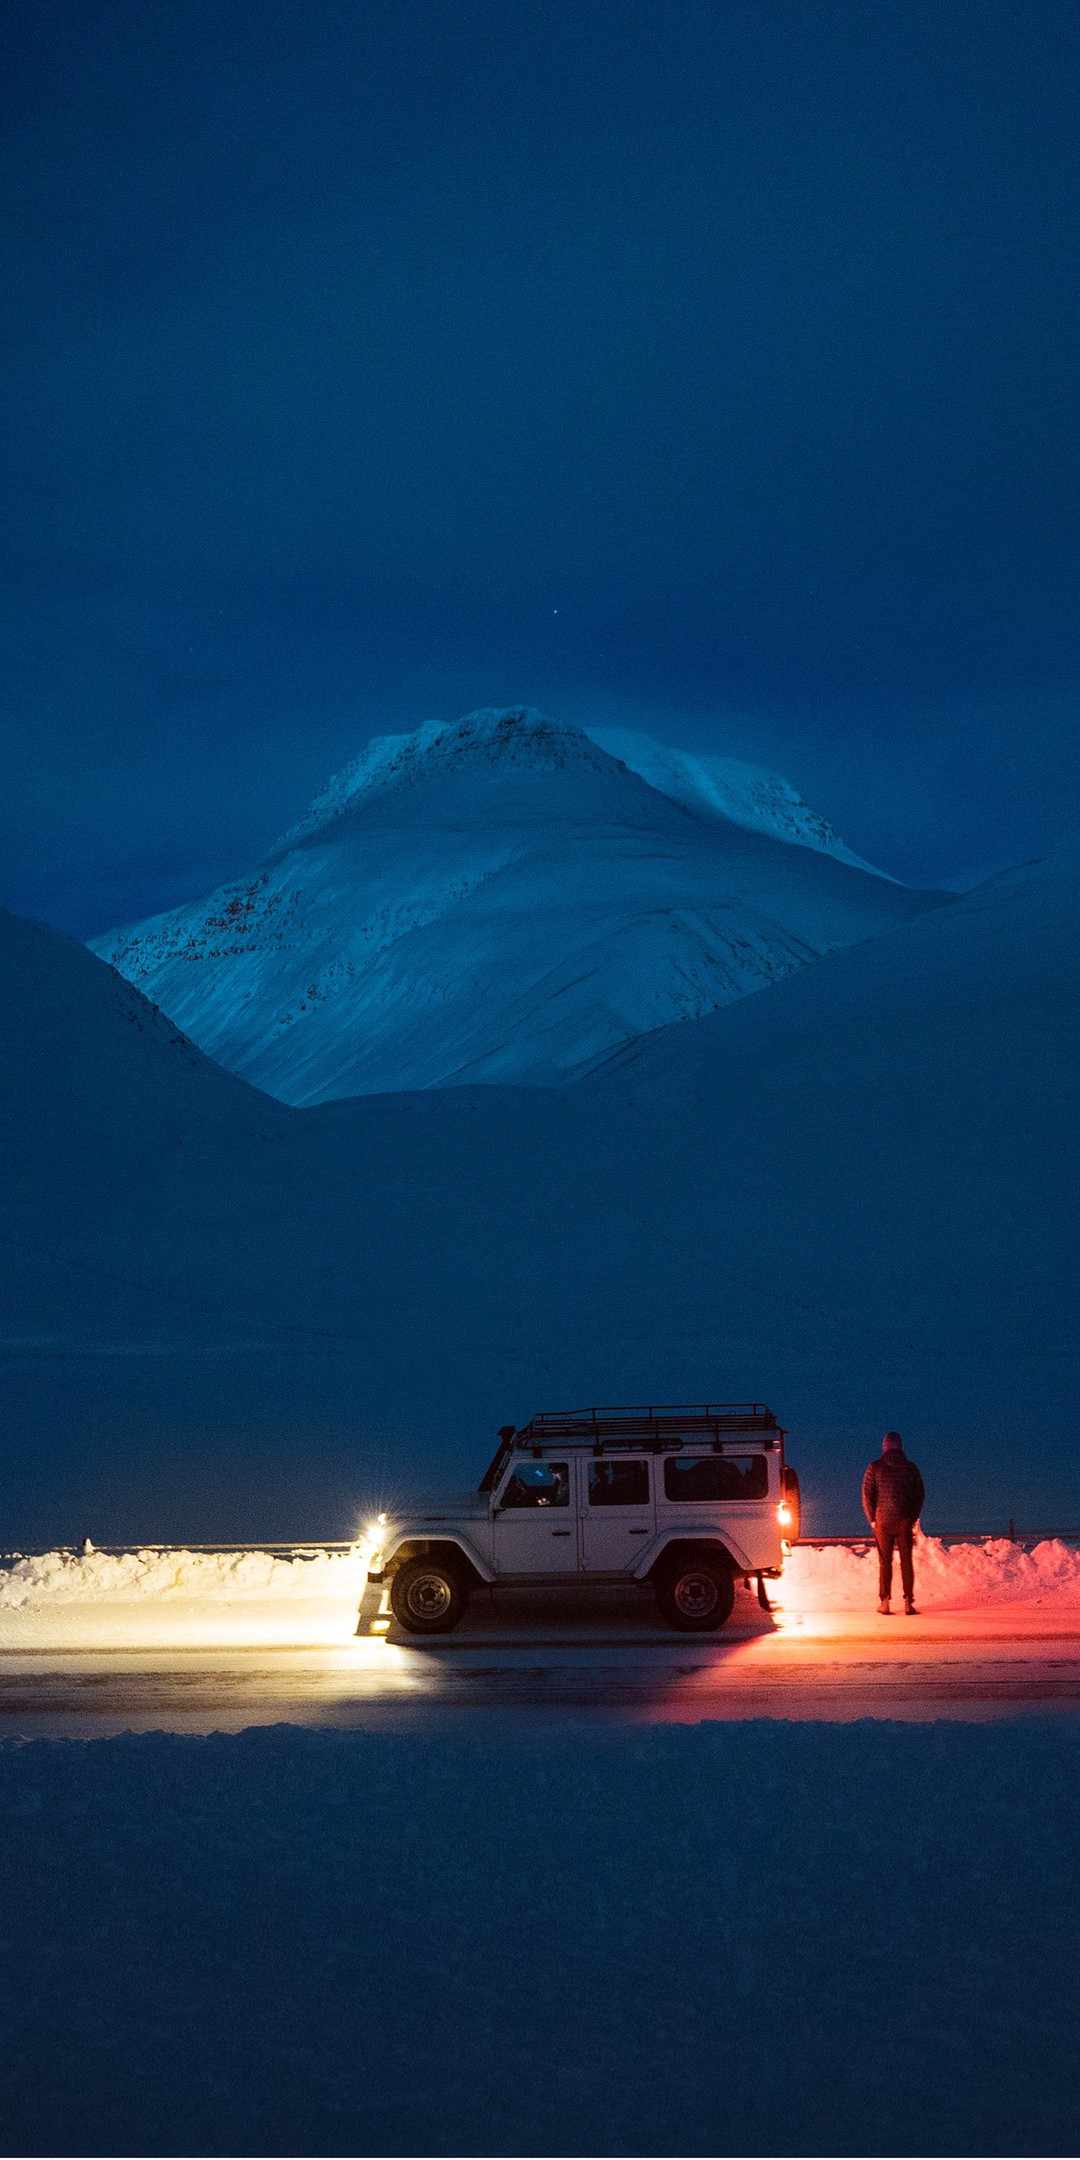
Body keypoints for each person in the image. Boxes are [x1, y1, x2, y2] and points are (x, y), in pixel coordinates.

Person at [862, 1431, 926, 1615]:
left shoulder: (875, 1467)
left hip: (883, 1522)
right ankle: (908, 1603)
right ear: (900, 1446)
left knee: (885, 1562)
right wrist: (912, 1517)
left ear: (885, 1446)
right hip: (904, 1521)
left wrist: (872, 1519)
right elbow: (919, 1494)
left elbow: (867, 1495)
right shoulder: (911, 1468)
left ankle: (885, 1602)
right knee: (906, 1562)